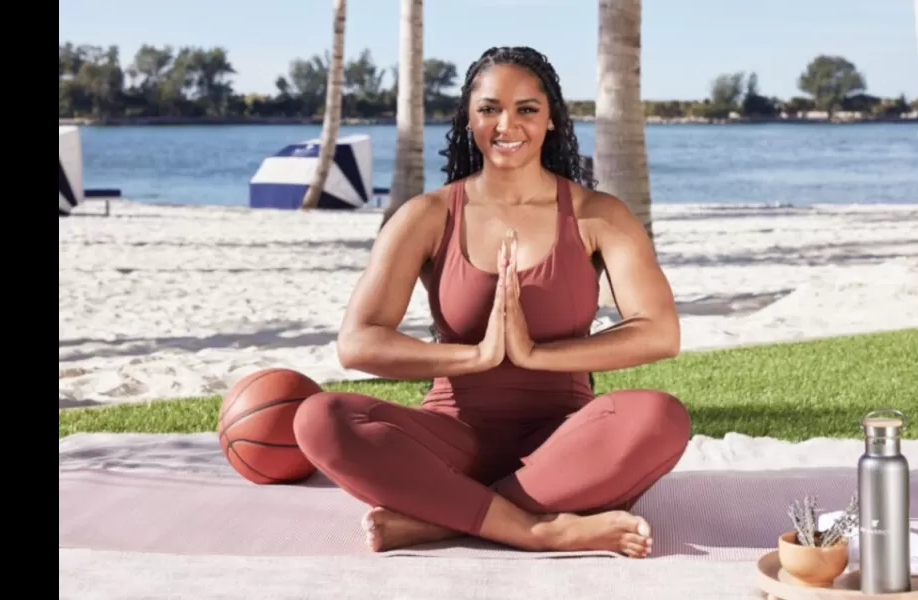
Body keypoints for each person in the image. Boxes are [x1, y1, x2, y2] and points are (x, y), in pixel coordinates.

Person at [292, 46, 690, 559]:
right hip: (450, 439)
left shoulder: (597, 215)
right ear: (469, 120)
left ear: (551, 121)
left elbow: (660, 331)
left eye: (527, 108)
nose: (508, 124)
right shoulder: (427, 215)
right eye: (489, 109)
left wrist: (534, 355)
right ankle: (537, 529)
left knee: (661, 417)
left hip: (563, 444)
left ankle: (442, 519)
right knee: (319, 418)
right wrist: (477, 356)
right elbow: (358, 343)